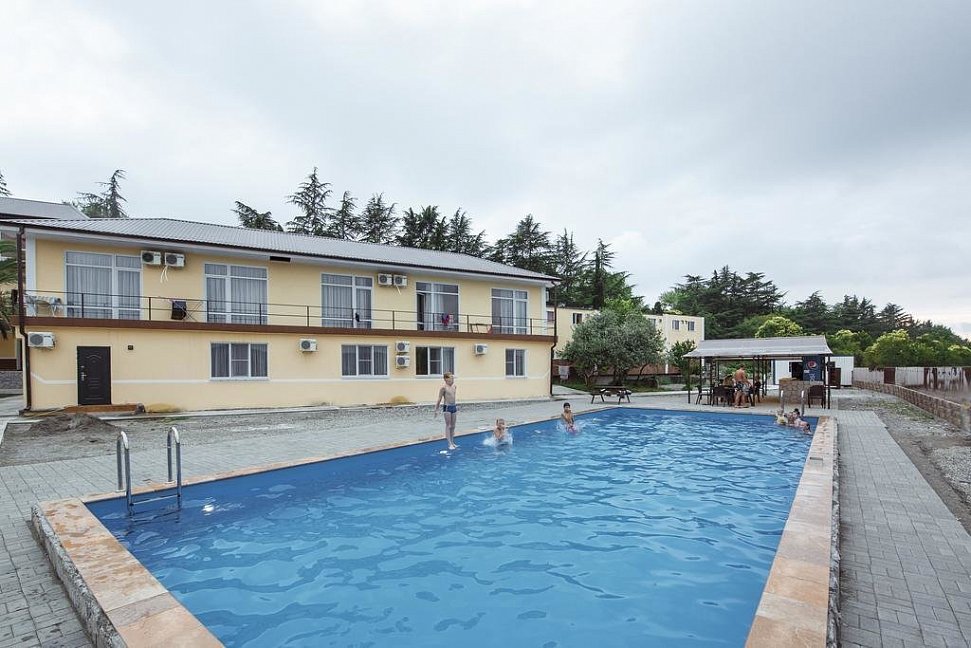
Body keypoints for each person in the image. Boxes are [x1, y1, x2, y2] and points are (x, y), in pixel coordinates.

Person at [434, 372, 458, 450]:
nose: (453, 379)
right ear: (446, 379)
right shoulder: (443, 388)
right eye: (451, 378)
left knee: (453, 426)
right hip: (447, 407)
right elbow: (439, 399)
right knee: (448, 425)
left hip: (454, 407)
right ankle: (449, 444)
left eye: (453, 378)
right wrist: (436, 410)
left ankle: (452, 442)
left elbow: (453, 397)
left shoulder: (454, 386)